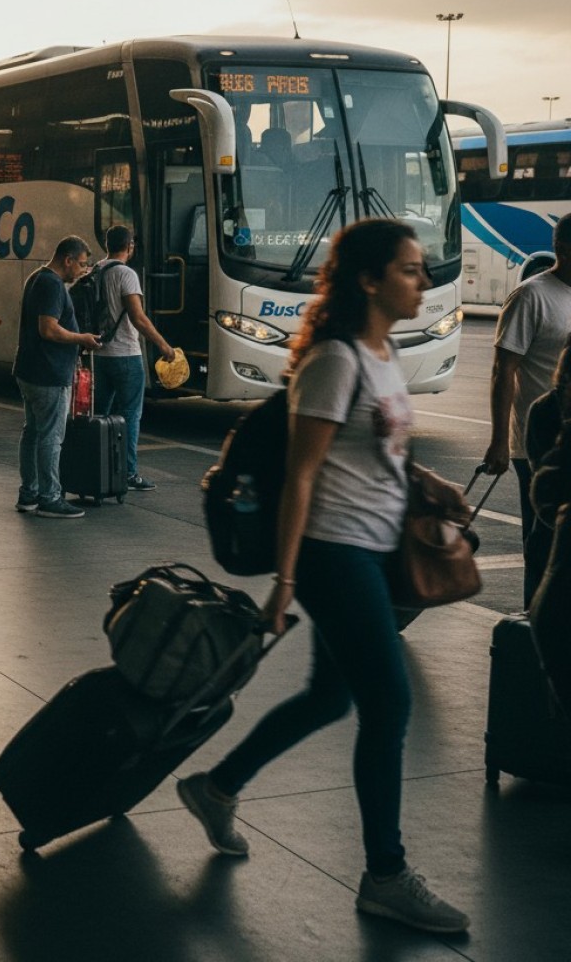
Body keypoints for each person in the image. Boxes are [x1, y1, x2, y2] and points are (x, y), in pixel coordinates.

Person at [176, 219, 471, 936]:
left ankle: (216, 787)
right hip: (333, 553)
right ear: (369, 280)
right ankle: (386, 876)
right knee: (389, 704)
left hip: (373, 549)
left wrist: (428, 481)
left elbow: (377, 449)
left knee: (328, 698)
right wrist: (283, 582)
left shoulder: (382, 353)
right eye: (408, 269)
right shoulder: (335, 361)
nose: (423, 281)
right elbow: (302, 477)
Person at [483, 213, 571, 605]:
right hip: (537, 442)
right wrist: (499, 442)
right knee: (543, 541)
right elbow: (503, 371)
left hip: (568, 439)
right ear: (563, 249)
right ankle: (536, 622)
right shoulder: (531, 296)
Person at [13, 235, 100, 518]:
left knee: (32, 432)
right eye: (82, 264)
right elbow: (48, 329)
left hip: (30, 370)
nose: (83, 270)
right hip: (49, 373)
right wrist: (81, 338)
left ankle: (29, 493)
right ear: (68, 260)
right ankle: (49, 497)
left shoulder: (37, 277)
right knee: (51, 437)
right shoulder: (52, 284)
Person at [92, 224, 180, 491]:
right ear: (129, 247)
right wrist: (164, 346)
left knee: (100, 415)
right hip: (127, 356)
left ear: (107, 245)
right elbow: (138, 317)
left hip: (101, 354)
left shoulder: (96, 270)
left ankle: (98, 468)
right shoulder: (126, 274)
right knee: (130, 416)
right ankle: (128, 473)